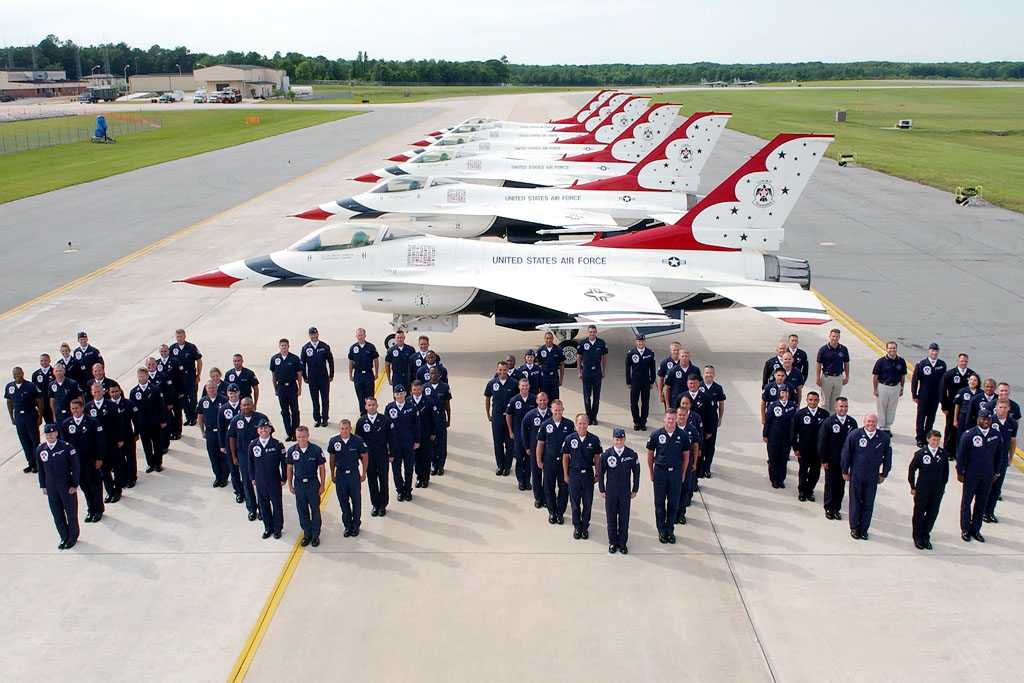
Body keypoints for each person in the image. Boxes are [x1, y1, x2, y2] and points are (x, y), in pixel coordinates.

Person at [841, 414, 892, 540]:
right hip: (857, 474)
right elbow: (846, 454)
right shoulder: (855, 435)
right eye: (868, 421)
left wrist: (884, 474)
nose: (871, 424)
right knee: (855, 501)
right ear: (864, 422)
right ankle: (854, 527)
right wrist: (845, 471)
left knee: (868, 503)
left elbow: (888, 457)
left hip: (872, 476)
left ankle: (864, 529)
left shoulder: (883, 438)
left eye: (873, 422)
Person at [647, 410, 694, 544]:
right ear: (664, 419)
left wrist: (683, 473)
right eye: (669, 419)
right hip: (660, 472)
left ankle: (670, 530)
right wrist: (651, 472)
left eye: (673, 419)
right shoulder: (656, 435)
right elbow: (650, 454)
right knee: (660, 503)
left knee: (673, 503)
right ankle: (661, 530)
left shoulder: (683, 435)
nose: (671, 421)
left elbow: (686, 455)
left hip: (676, 473)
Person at [956, 408, 1001, 542]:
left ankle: (976, 529)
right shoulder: (969, 435)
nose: (986, 421)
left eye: (988, 419)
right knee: (966, 503)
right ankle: (965, 529)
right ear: (978, 419)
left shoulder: (995, 435)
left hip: (987, 475)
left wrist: (996, 472)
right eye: (983, 419)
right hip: (971, 475)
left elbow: (999, 456)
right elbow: (961, 455)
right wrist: (960, 472)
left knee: (981, 503)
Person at [61, 398, 106, 524]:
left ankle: (98, 509)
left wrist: (99, 458)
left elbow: (100, 442)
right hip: (77, 462)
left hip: (91, 460)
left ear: (82, 408)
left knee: (95, 485)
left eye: (77, 408)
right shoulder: (67, 424)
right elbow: (65, 444)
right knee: (84, 486)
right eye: (72, 409)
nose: (74, 411)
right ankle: (90, 509)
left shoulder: (92, 422)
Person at [36, 423, 80, 549]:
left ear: (56, 433)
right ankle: (63, 536)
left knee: (70, 512)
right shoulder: (41, 449)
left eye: (52, 433)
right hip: (51, 486)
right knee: (57, 513)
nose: (49, 436)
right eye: (47, 434)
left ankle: (73, 536)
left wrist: (74, 484)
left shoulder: (66, 447)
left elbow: (75, 466)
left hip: (65, 485)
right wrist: (43, 485)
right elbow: (41, 468)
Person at [599, 428, 640, 554]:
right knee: (611, 518)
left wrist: (635, 489)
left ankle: (622, 543)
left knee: (624, 518)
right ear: (613, 439)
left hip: (625, 491)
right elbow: (601, 473)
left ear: (625, 439)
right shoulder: (606, 455)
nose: (619, 442)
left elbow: (636, 473)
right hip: (611, 491)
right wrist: (602, 489)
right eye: (617, 439)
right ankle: (612, 542)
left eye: (621, 439)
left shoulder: (631, 455)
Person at [228, 397, 269, 521]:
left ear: (253, 405)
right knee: (246, 482)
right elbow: (232, 438)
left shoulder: (261, 418)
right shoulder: (235, 420)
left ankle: (263, 509)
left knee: (261, 483)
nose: (246, 407)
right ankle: (252, 509)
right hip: (243, 455)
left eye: (249, 405)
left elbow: (268, 435)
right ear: (240, 407)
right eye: (244, 405)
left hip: (259, 456)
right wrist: (234, 456)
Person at [562, 413, 601, 540]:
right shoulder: (569, 439)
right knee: (575, 502)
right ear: (576, 424)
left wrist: (597, 474)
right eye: (580, 423)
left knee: (588, 503)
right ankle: (577, 527)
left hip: (588, 474)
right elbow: (565, 457)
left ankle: (585, 527)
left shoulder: (594, 439)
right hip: (574, 474)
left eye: (584, 423)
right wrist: (565, 474)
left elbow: (597, 458)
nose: (582, 426)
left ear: (588, 424)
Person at [908, 430, 948, 550]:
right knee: (919, 513)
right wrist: (913, 486)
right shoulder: (921, 454)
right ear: (928, 439)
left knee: (932, 513)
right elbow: (912, 470)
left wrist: (943, 486)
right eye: (933, 440)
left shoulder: (943, 454)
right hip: (922, 489)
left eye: (937, 440)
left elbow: (946, 471)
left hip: (936, 489)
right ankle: (917, 537)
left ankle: (926, 535)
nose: (935, 442)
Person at [818, 397, 857, 521]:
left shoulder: (852, 423)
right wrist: (824, 460)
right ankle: (828, 507)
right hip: (831, 460)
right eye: (841, 406)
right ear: (835, 407)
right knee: (830, 484)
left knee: (841, 486)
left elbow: (855, 444)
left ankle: (836, 508)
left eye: (845, 406)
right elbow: (822, 442)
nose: (843, 409)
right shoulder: (828, 422)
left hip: (845, 462)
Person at [248, 418, 288, 539]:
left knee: (276, 504)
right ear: (258, 431)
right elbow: (250, 463)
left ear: (270, 429)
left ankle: (277, 528)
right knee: (263, 504)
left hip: (274, 480)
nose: (263, 430)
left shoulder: (277, 444)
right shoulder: (253, 445)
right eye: (261, 428)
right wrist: (252, 478)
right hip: (260, 480)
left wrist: (284, 478)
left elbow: (284, 463)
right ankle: (268, 527)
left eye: (266, 428)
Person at [287, 426, 326, 546]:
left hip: (312, 483)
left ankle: (315, 535)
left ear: (308, 435)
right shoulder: (292, 451)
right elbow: (289, 468)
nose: (301, 439)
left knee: (315, 509)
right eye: (298, 437)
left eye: (303, 437)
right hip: (299, 484)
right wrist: (290, 485)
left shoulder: (316, 450)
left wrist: (322, 484)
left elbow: (322, 468)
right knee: (302, 509)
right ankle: (306, 533)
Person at [330, 419, 369, 537]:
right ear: (339, 429)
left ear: (350, 428)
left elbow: (364, 456)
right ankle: (347, 525)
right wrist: (332, 474)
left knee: (356, 501)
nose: (345, 431)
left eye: (347, 428)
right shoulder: (334, 441)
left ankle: (356, 525)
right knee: (343, 502)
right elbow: (332, 459)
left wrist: (364, 473)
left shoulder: (357, 441)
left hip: (353, 474)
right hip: (341, 475)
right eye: (342, 428)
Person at [537, 399, 573, 524]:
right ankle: (552, 512)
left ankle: (560, 513)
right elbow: (540, 444)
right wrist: (539, 461)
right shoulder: (545, 425)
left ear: (563, 410)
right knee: (549, 488)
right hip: (549, 461)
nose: (557, 412)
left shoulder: (569, 425)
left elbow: (573, 445)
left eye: (560, 410)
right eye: (555, 410)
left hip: (563, 462)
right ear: (551, 410)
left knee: (564, 488)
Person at [86, 382, 122, 504]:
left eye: (99, 391)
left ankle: (117, 490)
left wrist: (120, 439)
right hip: (98, 446)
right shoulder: (88, 408)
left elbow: (118, 423)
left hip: (111, 442)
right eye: (94, 392)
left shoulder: (111, 406)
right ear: (91, 393)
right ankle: (109, 491)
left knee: (116, 467)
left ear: (103, 391)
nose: (97, 394)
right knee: (104, 469)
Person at [985, 399, 1018, 523]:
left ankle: (990, 511)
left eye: (1005, 407)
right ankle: (982, 511)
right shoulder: (989, 421)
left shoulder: (1012, 423)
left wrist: (1011, 457)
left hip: (1002, 458)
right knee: (987, 486)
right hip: (989, 457)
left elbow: (1013, 440)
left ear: (1009, 409)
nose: (1002, 410)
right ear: (996, 408)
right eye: (1000, 407)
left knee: (997, 487)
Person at [385, 384, 419, 502]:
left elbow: (417, 425)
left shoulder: (412, 407)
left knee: (409, 468)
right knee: (396, 469)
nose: (399, 396)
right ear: (394, 395)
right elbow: (386, 428)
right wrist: (387, 444)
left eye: (401, 393)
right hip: (395, 445)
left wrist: (417, 441)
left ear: (405, 394)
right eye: (397, 394)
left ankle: (408, 490)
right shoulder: (389, 408)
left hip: (408, 443)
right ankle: (400, 490)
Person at [131, 368, 168, 474]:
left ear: (148, 376)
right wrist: (136, 426)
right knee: (146, 444)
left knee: (157, 443)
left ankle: (158, 463)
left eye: (144, 376)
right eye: (140, 376)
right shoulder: (134, 392)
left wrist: (163, 420)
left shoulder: (155, 389)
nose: (142, 378)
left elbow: (161, 405)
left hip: (155, 422)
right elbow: (133, 411)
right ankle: (150, 463)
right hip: (143, 424)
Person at [357, 397, 389, 517]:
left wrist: (391, 454)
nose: (371, 407)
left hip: (382, 455)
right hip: (368, 458)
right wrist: (360, 457)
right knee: (372, 481)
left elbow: (390, 438)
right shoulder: (361, 422)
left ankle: (383, 504)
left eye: (373, 405)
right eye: (369, 405)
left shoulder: (384, 420)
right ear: (365, 406)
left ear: (377, 405)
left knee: (383, 480)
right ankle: (375, 504)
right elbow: (358, 441)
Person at [792, 391, 827, 502]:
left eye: (815, 400)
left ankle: (810, 490)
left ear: (818, 401)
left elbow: (827, 434)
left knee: (815, 471)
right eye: (810, 400)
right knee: (803, 470)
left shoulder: (824, 414)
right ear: (806, 400)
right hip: (804, 449)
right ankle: (802, 491)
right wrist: (796, 448)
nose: (813, 402)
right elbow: (794, 432)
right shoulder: (800, 414)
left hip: (817, 450)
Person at [484, 361, 517, 476]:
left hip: (509, 417)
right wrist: (488, 413)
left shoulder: (514, 384)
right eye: (500, 370)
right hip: (497, 416)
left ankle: (507, 466)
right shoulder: (492, 383)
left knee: (509, 443)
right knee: (498, 443)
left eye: (504, 370)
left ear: (508, 370)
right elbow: (487, 398)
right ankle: (500, 465)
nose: (502, 372)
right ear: (497, 370)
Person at [7, 366, 42, 473]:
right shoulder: (10, 387)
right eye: (15, 374)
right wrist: (12, 417)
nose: (17, 375)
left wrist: (40, 416)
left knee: (34, 439)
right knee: (24, 440)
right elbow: (9, 401)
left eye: (18, 373)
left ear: (23, 373)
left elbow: (39, 401)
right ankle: (30, 462)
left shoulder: (31, 386)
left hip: (30, 414)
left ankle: (37, 463)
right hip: (18, 416)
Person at [911, 343, 946, 447]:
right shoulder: (922, 364)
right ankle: (920, 438)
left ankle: (928, 437)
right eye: (932, 351)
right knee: (921, 418)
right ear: (929, 351)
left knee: (931, 418)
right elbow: (915, 380)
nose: (934, 353)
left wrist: (942, 397)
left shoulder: (941, 365)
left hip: (935, 397)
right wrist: (914, 394)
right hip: (923, 396)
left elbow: (944, 382)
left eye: (936, 351)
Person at [505, 377, 536, 491]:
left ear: (529, 386)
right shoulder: (514, 400)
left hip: (531, 435)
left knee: (529, 460)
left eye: (526, 386)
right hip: (518, 435)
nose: (524, 388)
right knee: (519, 459)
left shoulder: (534, 399)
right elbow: (508, 415)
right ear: (519, 387)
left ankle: (527, 481)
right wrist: (510, 431)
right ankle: (520, 481)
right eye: (522, 386)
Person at [940, 353, 976, 453]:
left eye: (965, 361)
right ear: (958, 361)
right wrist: (944, 406)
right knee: (950, 428)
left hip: (966, 408)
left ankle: (958, 451)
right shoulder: (950, 374)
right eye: (962, 361)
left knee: (962, 430)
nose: (963, 363)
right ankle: (948, 450)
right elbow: (943, 391)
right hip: (952, 406)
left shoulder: (971, 375)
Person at [763, 385, 796, 488]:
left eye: (786, 393)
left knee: (783, 459)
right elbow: (768, 421)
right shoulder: (773, 406)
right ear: (779, 394)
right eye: (782, 393)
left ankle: (781, 480)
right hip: (774, 436)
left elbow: (795, 422)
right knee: (773, 459)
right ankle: (774, 480)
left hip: (786, 437)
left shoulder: (793, 406)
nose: (784, 395)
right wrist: (765, 434)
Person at [521, 392, 550, 509]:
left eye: (544, 400)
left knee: (548, 477)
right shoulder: (530, 415)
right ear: (536, 401)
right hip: (534, 450)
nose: (542, 402)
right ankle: (538, 498)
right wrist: (527, 447)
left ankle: (547, 498)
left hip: (549, 452)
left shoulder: (551, 414)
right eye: (540, 400)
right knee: (536, 475)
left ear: (547, 401)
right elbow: (523, 431)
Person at [301, 326, 334, 427]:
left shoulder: (324, 346)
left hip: (323, 377)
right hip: (312, 378)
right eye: (312, 334)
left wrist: (331, 375)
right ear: (309, 336)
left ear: (318, 334)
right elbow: (302, 363)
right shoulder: (306, 348)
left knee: (325, 399)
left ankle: (325, 418)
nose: (314, 336)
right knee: (315, 400)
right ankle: (317, 419)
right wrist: (304, 376)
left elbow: (330, 361)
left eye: (315, 334)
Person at [197, 380, 228, 488]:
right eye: (209, 388)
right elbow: (200, 416)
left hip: (221, 432)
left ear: (217, 388)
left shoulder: (224, 400)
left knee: (223, 455)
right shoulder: (203, 401)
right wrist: (202, 431)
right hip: (210, 432)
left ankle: (224, 477)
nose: (211, 390)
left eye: (213, 388)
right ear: (206, 389)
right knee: (213, 455)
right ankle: (217, 476)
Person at [675, 398, 702, 522]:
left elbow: (696, 445)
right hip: (675, 464)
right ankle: (673, 514)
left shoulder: (692, 429)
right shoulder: (671, 429)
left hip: (688, 463)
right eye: (679, 415)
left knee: (685, 489)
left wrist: (695, 462)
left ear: (687, 416)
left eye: (684, 415)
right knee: (674, 491)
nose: (681, 417)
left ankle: (681, 514)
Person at [270, 339, 303, 441]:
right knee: (284, 411)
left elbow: (299, 374)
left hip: (292, 387)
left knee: (294, 411)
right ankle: (288, 432)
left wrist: (300, 388)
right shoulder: (275, 359)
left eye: (285, 346)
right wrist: (275, 388)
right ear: (279, 347)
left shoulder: (294, 359)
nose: (284, 347)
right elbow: (273, 375)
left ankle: (295, 432)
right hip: (281, 387)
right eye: (282, 346)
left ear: (289, 346)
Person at [169, 329, 203, 427]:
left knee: (192, 397)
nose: (179, 339)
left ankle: (193, 417)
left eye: (181, 337)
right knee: (182, 398)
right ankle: (188, 417)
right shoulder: (172, 349)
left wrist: (198, 375)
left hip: (190, 377)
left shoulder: (191, 347)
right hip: (179, 379)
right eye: (177, 337)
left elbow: (199, 361)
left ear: (185, 336)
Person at [872, 342, 906, 435]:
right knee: (882, 407)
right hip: (883, 386)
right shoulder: (881, 361)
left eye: (894, 348)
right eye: (890, 348)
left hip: (895, 387)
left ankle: (888, 427)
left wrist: (901, 388)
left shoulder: (901, 361)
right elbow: (875, 376)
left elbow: (903, 376)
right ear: (887, 349)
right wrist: (875, 389)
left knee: (892, 408)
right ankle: (882, 427)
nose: (892, 350)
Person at [698, 365, 726, 477]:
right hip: (700, 421)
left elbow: (721, 403)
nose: (709, 375)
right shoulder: (698, 386)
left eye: (711, 373)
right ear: (703, 374)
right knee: (700, 446)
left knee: (710, 446)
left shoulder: (717, 388)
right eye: (707, 373)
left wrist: (720, 418)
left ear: (714, 374)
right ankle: (699, 469)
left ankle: (707, 468)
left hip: (712, 421)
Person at [108, 384, 138, 489]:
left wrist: (136, 432)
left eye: (116, 391)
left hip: (127, 435)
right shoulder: (108, 406)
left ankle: (132, 477)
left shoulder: (128, 403)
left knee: (130, 457)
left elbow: (135, 419)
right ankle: (123, 478)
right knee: (119, 459)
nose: (115, 394)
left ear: (120, 391)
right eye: (112, 392)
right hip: (115, 438)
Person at [577, 325, 608, 425]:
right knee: (587, 396)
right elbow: (579, 357)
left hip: (597, 371)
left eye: (594, 332)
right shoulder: (582, 343)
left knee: (596, 396)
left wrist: (603, 370)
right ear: (587, 332)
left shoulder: (601, 343)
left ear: (596, 332)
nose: (592, 334)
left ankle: (594, 417)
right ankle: (588, 417)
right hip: (586, 371)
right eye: (590, 332)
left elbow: (604, 357)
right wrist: (579, 371)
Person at [218, 385, 244, 501]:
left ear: (239, 393)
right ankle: (238, 491)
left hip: (243, 443)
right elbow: (220, 428)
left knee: (245, 469)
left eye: (235, 393)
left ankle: (247, 490)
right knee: (233, 469)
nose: (233, 395)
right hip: (229, 443)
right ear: (227, 394)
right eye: (231, 393)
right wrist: (222, 445)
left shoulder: (244, 406)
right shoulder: (223, 409)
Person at [423, 366, 451, 475]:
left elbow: (447, 405)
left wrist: (449, 418)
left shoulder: (444, 387)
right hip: (429, 420)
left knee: (442, 443)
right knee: (432, 444)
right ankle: (434, 465)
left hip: (440, 418)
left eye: (435, 373)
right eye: (431, 373)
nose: (433, 375)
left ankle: (441, 466)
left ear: (439, 375)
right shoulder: (425, 387)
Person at [626, 333, 656, 432]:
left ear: (645, 341)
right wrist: (628, 382)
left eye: (642, 341)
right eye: (639, 341)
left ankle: (643, 422)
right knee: (634, 402)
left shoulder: (650, 353)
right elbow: (627, 368)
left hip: (645, 381)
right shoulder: (631, 353)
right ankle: (636, 421)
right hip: (635, 381)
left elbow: (652, 368)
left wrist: (652, 381)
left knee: (645, 402)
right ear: (636, 342)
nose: (641, 343)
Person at [409, 380, 437, 489]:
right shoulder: (408, 402)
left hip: (426, 435)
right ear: (411, 390)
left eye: (418, 389)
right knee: (416, 458)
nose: (416, 392)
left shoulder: (429, 402)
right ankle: (419, 477)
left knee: (426, 457)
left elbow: (434, 419)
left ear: (422, 389)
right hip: (413, 436)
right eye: (414, 390)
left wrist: (433, 433)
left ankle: (425, 478)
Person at [815, 328, 850, 412]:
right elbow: (818, 364)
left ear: (839, 337)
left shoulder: (843, 349)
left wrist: (847, 377)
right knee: (825, 402)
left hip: (838, 378)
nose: (834, 338)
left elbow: (846, 363)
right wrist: (818, 378)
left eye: (836, 336)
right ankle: (825, 421)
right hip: (827, 378)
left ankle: (833, 420)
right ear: (829, 336)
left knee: (835, 402)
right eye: (833, 336)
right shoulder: (823, 350)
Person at [348, 328, 379, 415]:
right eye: (358, 336)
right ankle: (363, 414)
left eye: (361, 335)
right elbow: (350, 361)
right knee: (360, 396)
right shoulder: (353, 348)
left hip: (368, 374)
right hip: (358, 375)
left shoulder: (370, 347)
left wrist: (376, 373)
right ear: (356, 336)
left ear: (365, 335)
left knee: (370, 396)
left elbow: (376, 360)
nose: (360, 337)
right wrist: (350, 374)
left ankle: (371, 413)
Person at [157, 344, 184, 443]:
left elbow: (181, 378)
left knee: (177, 413)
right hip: (164, 395)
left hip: (175, 392)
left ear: (168, 351)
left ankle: (177, 431)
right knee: (168, 414)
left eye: (165, 351)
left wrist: (181, 392)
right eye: (162, 352)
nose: (163, 353)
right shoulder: (157, 363)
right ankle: (171, 431)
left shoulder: (175, 362)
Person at [48, 363, 82, 427]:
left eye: (60, 371)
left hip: (71, 412)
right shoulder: (52, 385)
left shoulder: (72, 383)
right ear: (53, 372)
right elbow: (52, 400)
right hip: (59, 414)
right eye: (56, 371)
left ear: (64, 371)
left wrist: (80, 411)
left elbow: (80, 397)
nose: (58, 373)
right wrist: (54, 414)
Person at [953, 374, 981, 447]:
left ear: (978, 382)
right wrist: (955, 420)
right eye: (971, 380)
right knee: (960, 436)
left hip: (975, 418)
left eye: (975, 380)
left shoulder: (981, 393)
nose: (972, 382)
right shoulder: (963, 391)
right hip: (963, 416)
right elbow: (957, 405)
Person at [537, 332, 565, 400]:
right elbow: (538, 364)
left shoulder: (558, 349)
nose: (549, 340)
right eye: (547, 338)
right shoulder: (541, 350)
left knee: (555, 397)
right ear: (544, 339)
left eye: (550, 338)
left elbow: (562, 364)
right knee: (544, 397)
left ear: (553, 339)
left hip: (554, 376)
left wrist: (561, 379)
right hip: (544, 376)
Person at [657, 342, 681, 412]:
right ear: (670, 350)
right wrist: (660, 394)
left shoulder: (685, 362)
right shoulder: (665, 363)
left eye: (678, 350)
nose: (676, 352)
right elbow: (661, 379)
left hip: (681, 393)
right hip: (669, 394)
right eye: (674, 350)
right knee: (670, 414)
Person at [32, 354, 55, 424]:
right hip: (43, 403)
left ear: (49, 361)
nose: (43, 362)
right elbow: (34, 390)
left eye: (45, 360)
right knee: (48, 422)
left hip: (53, 401)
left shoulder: (55, 372)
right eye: (41, 361)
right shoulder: (36, 375)